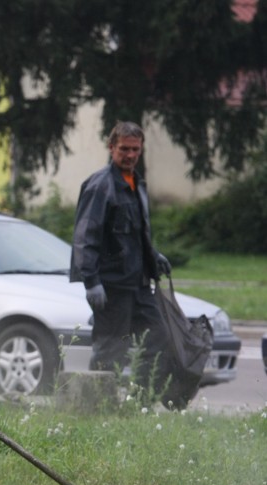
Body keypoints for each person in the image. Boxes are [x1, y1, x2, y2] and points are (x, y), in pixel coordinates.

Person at [70, 121, 174, 392]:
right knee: (110, 350)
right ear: (111, 147)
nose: (130, 155)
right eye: (124, 149)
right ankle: (98, 407)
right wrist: (91, 282)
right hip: (111, 286)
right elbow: (85, 238)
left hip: (138, 284)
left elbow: (135, 234)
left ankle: (137, 400)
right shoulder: (100, 185)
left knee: (158, 338)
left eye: (135, 150)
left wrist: (153, 255)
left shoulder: (137, 183)